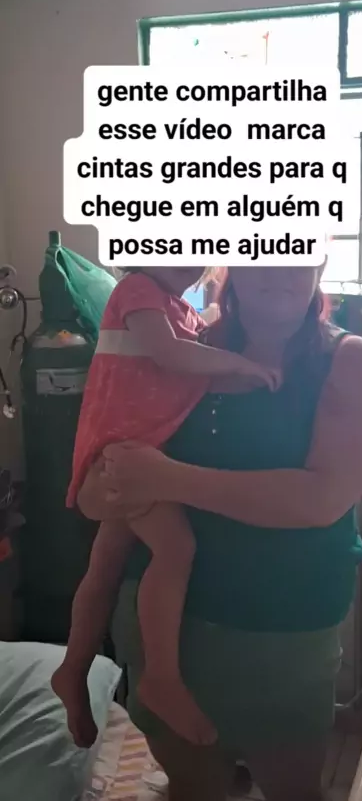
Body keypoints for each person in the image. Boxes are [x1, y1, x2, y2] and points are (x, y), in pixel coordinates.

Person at [79, 265, 362, 801]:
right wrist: (105, 485)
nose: (280, 266)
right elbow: (97, 481)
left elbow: (321, 499)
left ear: (319, 261)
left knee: (293, 789)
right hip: (166, 635)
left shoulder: (345, 360)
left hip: (283, 637)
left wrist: (168, 478)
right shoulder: (181, 346)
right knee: (191, 787)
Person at [51, 266, 280, 750]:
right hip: (123, 451)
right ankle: (161, 677)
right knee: (176, 549)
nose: (185, 259)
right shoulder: (137, 291)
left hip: (141, 449)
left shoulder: (179, 310)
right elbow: (169, 354)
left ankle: (72, 669)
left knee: (104, 567)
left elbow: (191, 359)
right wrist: (239, 365)